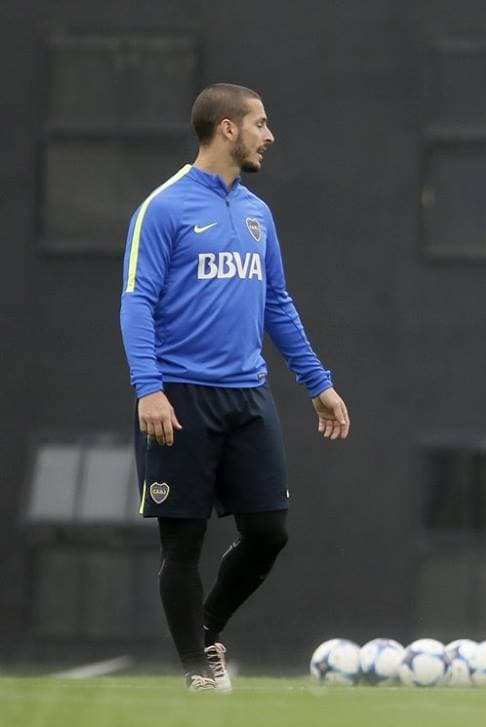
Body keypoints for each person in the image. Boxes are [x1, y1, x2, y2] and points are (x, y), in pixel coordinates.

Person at [120, 83, 350, 691]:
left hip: (248, 395)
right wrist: (149, 389)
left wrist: (317, 382)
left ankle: (205, 632)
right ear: (227, 128)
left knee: (269, 532)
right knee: (183, 544)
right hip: (179, 396)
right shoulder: (163, 208)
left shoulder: (256, 213)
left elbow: (277, 303)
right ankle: (198, 673)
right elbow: (136, 302)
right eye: (260, 124)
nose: (269, 136)